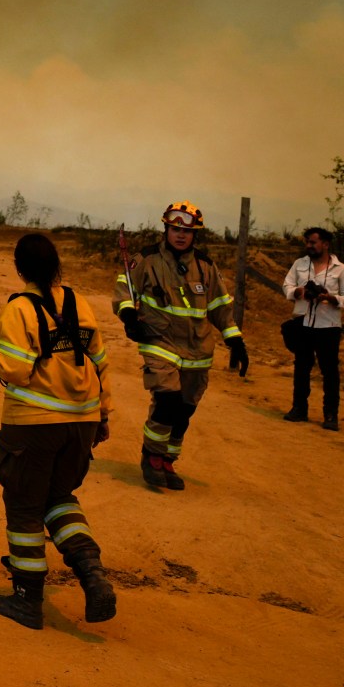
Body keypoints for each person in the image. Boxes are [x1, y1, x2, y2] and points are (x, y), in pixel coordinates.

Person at [0, 233, 118, 629]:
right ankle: (93, 575)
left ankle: (26, 599)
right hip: (82, 423)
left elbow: (14, 370)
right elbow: (101, 364)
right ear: (56, 264)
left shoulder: (19, 309)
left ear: (19, 267)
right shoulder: (80, 305)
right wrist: (104, 416)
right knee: (59, 497)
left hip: (34, 425)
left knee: (25, 506)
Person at [113, 202, 248, 492]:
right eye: (176, 229)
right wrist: (127, 315)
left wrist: (234, 338)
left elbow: (220, 307)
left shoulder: (206, 267)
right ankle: (151, 457)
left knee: (184, 411)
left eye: (187, 230)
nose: (181, 235)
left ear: (195, 234)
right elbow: (125, 290)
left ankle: (168, 459)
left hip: (198, 351)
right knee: (167, 401)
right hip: (159, 342)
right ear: (166, 228)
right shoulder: (146, 260)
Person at [282, 227, 344, 431]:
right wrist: (298, 291)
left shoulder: (342, 270)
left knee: (330, 371)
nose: (309, 246)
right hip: (303, 321)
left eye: (313, 242)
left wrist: (330, 298)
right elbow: (286, 286)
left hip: (328, 326)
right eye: (307, 242)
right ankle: (299, 408)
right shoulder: (300, 264)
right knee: (301, 367)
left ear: (325, 244)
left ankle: (331, 414)